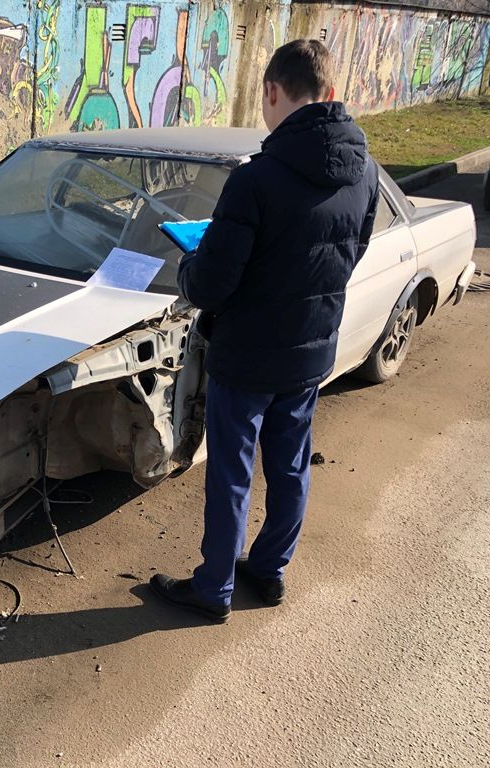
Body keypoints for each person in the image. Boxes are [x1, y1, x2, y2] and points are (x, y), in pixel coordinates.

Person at [150, 40, 379, 623]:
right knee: (290, 464)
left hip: (247, 357)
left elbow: (210, 286)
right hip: (310, 351)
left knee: (232, 473)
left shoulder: (256, 180)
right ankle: (270, 571)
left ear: (272, 91)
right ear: (329, 92)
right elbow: (351, 251)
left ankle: (214, 589)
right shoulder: (365, 170)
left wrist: (190, 264)